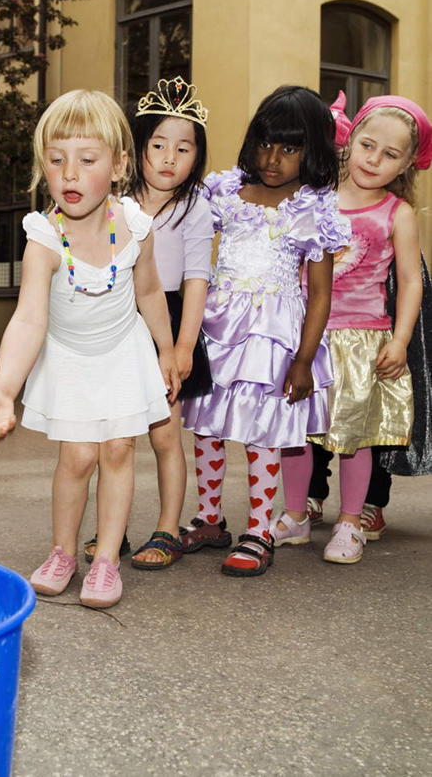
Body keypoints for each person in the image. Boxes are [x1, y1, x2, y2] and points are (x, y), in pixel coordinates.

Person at [0, 89, 180, 608]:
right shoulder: (43, 237)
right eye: (57, 161)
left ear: (120, 164)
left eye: (87, 159)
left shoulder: (133, 226)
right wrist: (2, 389)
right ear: (43, 168)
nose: (70, 174)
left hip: (123, 350)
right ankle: (63, 551)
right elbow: (30, 317)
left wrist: (166, 350)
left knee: (120, 450)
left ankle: (105, 559)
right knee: (79, 456)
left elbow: (148, 292)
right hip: (72, 357)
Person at [180, 85, 351, 577]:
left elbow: (320, 294)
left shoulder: (314, 208)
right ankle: (209, 518)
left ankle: (259, 530)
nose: (272, 159)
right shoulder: (224, 191)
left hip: (274, 337)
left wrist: (303, 358)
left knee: (264, 433)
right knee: (206, 426)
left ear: (312, 151)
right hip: (218, 328)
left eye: (290, 148)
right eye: (265, 144)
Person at [276, 91, 430, 563]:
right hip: (306, 337)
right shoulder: (314, 199)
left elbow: (409, 281)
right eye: (367, 145)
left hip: (363, 337)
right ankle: (296, 514)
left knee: (354, 437)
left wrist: (400, 339)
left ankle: (349, 522)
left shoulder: (397, 214)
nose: (374, 159)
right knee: (295, 432)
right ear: (350, 141)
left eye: (389, 154)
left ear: (405, 165)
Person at [82, 76, 213, 570]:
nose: (168, 158)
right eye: (158, 144)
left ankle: (167, 526)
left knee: (164, 432)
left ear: (196, 156)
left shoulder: (196, 207)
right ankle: (109, 528)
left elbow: (197, 280)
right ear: (138, 147)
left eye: (183, 148)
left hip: (172, 317)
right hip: (117, 315)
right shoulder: (116, 200)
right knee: (114, 434)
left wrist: (182, 346)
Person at [306, 253, 432, 538]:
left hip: (380, 281)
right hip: (328, 274)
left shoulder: (393, 212)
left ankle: (372, 499)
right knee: (318, 393)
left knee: (374, 397)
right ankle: (311, 492)